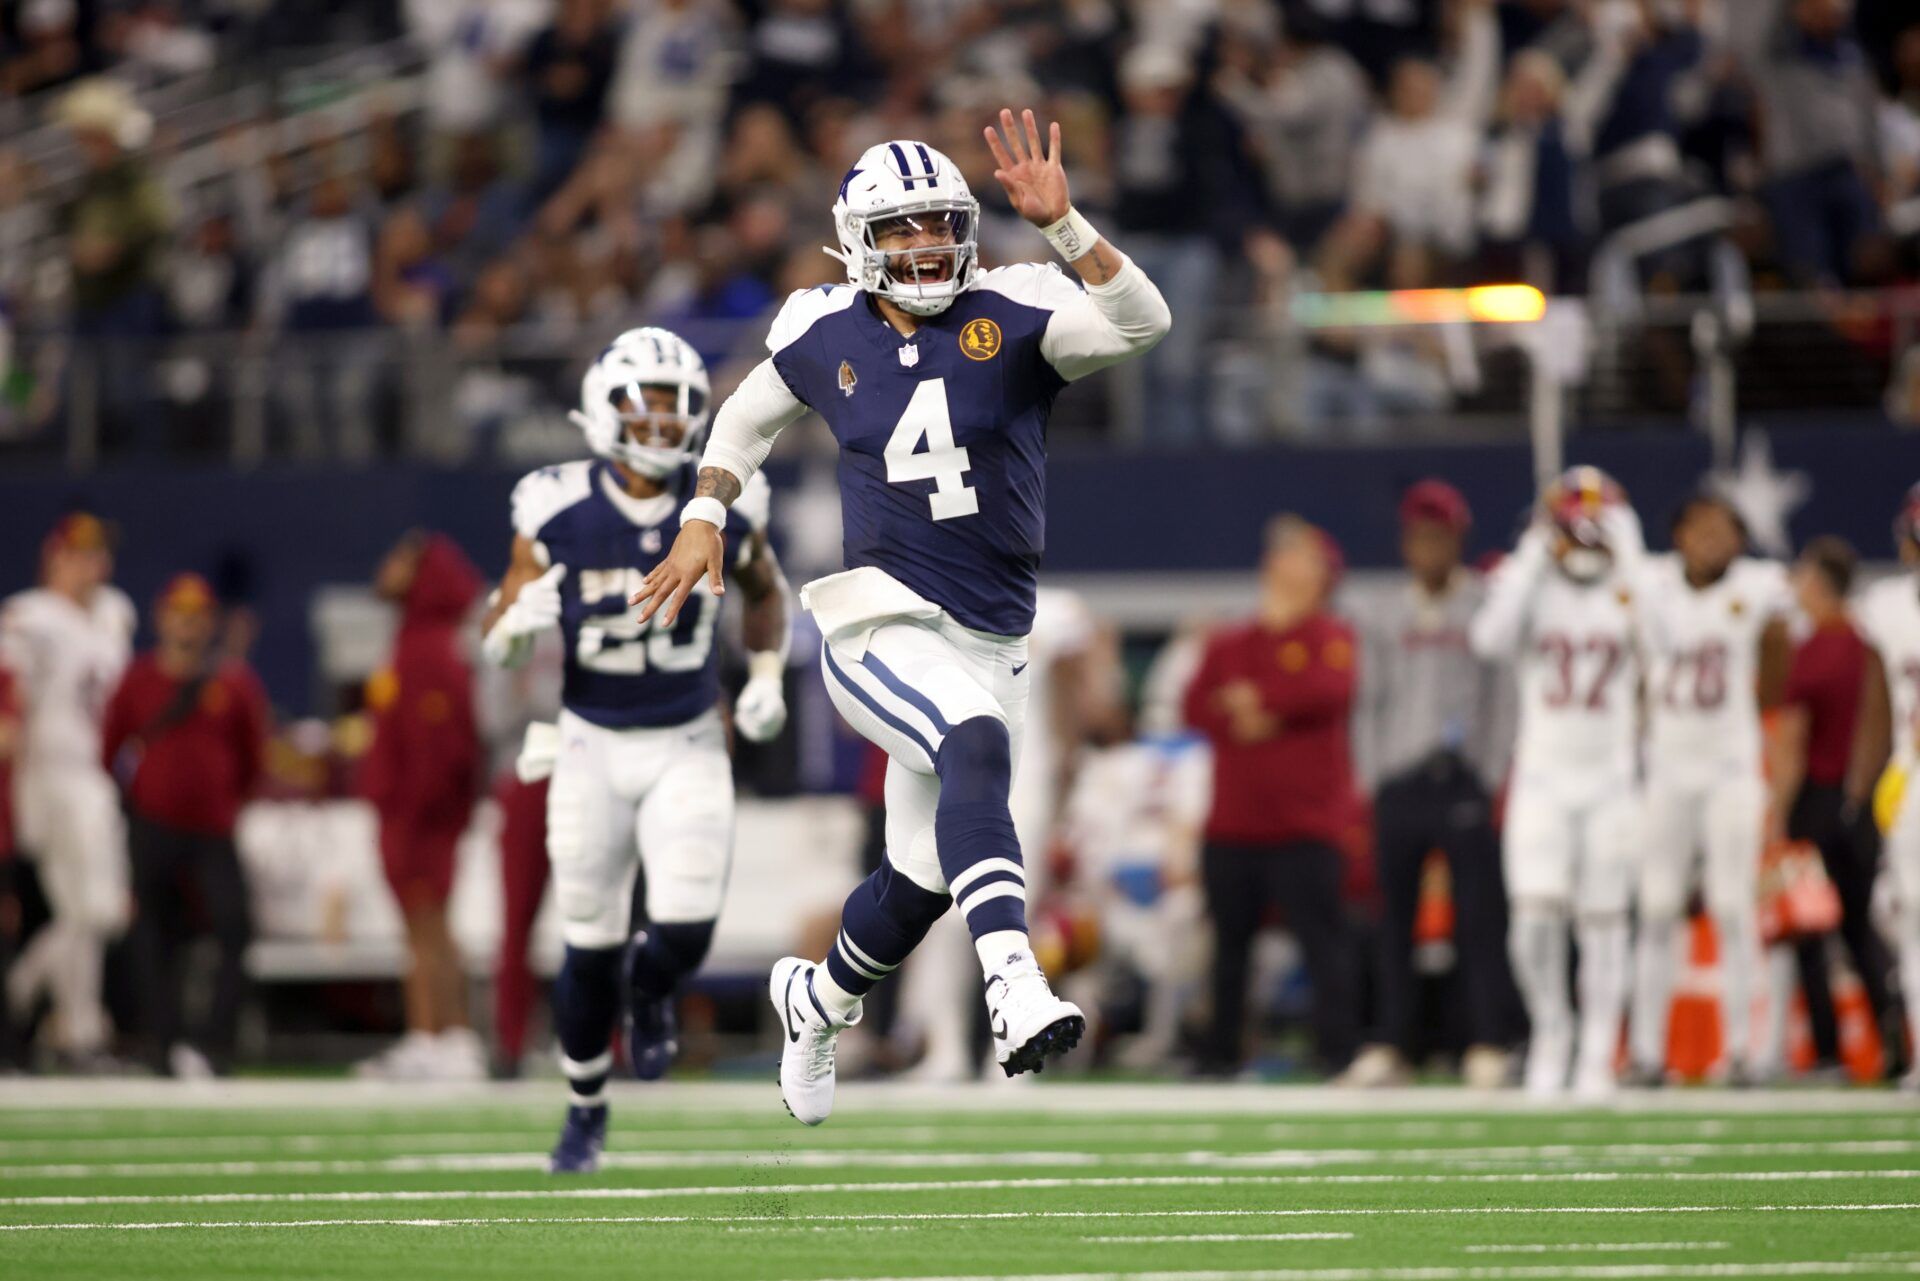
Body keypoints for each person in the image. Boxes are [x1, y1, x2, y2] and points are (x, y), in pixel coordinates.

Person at [632, 112, 1171, 1125]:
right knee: (972, 745)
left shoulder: (1015, 306)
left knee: (920, 879)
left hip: (990, 637)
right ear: (859, 240)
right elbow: (744, 418)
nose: (925, 243)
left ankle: (817, 1002)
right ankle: (1014, 986)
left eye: (938, 223)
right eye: (904, 227)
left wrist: (1066, 228)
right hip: (876, 622)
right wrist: (706, 511)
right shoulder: (818, 325)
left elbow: (1145, 323)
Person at [483, 327, 791, 1169]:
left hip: (688, 736)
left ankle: (651, 995)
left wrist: (765, 671)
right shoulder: (552, 502)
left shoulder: (726, 497)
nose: (661, 423)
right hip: (588, 744)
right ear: (605, 408)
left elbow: (765, 590)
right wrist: (515, 632)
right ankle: (585, 1107)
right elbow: (498, 624)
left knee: (685, 927)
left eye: (676, 407)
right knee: (588, 938)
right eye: (645, 405)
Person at [1470, 468, 1643, 1098]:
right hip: (1543, 775)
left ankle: (1599, 1049)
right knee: (1535, 919)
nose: (1585, 540)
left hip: (1611, 780)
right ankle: (1552, 1031)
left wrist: (1632, 552)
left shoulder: (1631, 588)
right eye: (1574, 526)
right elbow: (1486, 640)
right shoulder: (1531, 586)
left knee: (1604, 921)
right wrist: (1531, 553)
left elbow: (1674, 638)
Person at [1347, 479, 1517, 1089]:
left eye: (1440, 536)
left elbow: (1504, 696)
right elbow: (1367, 702)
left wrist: (1491, 772)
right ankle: (1393, 1044)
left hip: (1463, 777)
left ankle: (1488, 1040)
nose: (1429, 548)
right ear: (1406, 542)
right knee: (1392, 922)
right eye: (1420, 536)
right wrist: (1372, 779)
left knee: (1479, 919)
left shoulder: (1486, 605)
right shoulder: (1383, 610)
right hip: (1401, 780)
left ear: (1458, 539)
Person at [1184, 516, 1360, 1077]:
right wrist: (1246, 708)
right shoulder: (1231, 641)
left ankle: (1338, 1052)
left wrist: (1258, 700)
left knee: (1323, 942)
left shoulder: (1331, 635)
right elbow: (1193, 704)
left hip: (1307, 824)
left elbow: (1331, 690)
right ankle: (1220, 1054)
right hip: (1234, 824)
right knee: (1229, 950)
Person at [1627, 493, 1793, 1087]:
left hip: (1728, 768)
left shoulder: (1760, 586)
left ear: (1742, 539)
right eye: (1698, 528)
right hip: (1668, 767)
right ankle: (1647, 1053)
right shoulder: (1651, 585)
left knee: (1731, 904)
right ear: (1676, 535)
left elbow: (1775, 676)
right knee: (1655, 906)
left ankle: (1745, 1052)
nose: (1709, 539)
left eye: (1722, 530)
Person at [100, 574, 268, 1076]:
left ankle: (216, 1043)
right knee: (154, 936)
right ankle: (162, 1043)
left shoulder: (233, 684)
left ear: (209, 622)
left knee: (233, 928)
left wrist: (222, 800)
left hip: (213, 829)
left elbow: (251, 758)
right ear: (162, 617)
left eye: (197, 615)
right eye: (179, 613)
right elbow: (110, 748)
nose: (188, 624)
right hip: (153, 827)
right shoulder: (138, 679)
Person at [0, 513, 135, 1067]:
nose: (93, 565)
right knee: (86, 908)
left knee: (99, 912)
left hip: (96, 777)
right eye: (81, 554)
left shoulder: (113, 614)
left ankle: (28, 997)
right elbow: (11, 707)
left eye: (99, 553)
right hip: (49, 776)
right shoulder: (28, 617)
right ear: (54, 558)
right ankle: (78, 1028)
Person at [356, 531, 486, 1082]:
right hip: (412, 814)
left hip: (418, 818)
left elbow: (441, 751)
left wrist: (412, 810)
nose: (386, 565)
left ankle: (432, 1038)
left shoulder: (427, 650)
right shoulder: (417, 642)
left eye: (400, 559)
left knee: (425, 927)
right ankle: (447, 1037)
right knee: (426, 927)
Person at [1775, 536, 1901, 1079]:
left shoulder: (1817, 650)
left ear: (1821, 584)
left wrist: (1777, 812)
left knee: (1810, 934)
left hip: (1819, 800)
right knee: (1860, 930)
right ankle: (1893, 1044)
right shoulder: (1871, 641)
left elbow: (1794, 742)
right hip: (1867, 798)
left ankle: (1828, 1052)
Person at [1852, 483, 1920, 1092]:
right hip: (1913, 779)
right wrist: (1867, 783)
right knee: (1910, 917)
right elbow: (1876, 703)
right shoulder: (1888, 605)